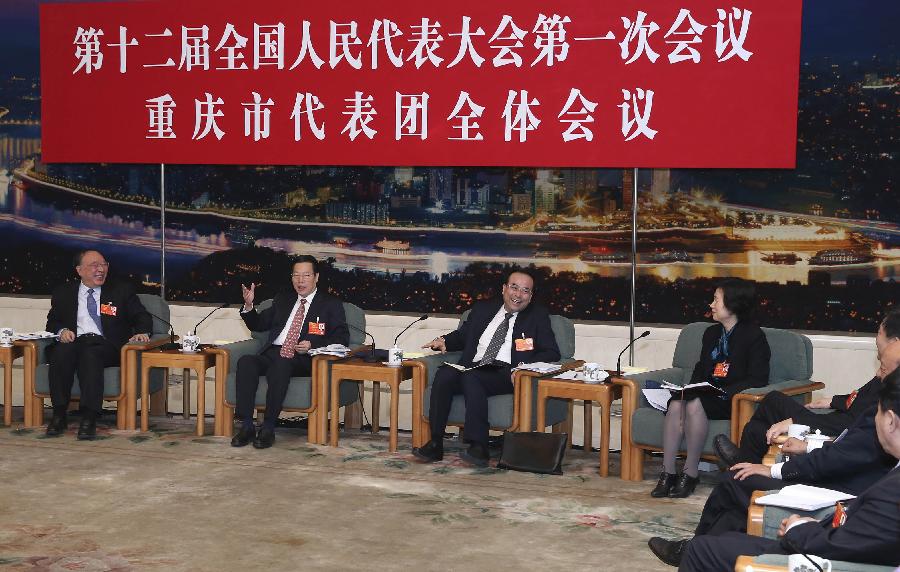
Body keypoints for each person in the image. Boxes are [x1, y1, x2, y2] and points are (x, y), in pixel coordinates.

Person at [646, 341, 900, 567]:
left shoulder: (890, 495)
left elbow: (844, 536)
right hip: (833, 493)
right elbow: (851, 445)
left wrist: (799, 525)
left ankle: (694, 548)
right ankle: (699, 545)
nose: (878, 373)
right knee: (735, 500)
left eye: (883, 369)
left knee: (734, 484)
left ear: (890, 421)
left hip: (827, 501)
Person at [412, 269, 560, 467]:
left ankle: (479, 447)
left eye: (525, 291)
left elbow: (551, 352)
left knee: (471, 378)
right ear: (504, 289)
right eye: (514, 288)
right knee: (445, 374)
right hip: (474, 366)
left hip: (505, 372)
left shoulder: (537, 316)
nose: (518, 294)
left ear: (531, 296)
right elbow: (463, 335)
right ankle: (435, 442)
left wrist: (523, 367)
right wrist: (444, 340)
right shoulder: (483, 309)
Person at [715, 309, 900, 465]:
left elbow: (854, 423)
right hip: (838, 419)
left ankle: (741, 464)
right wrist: (834, 400)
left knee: (773, 400)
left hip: (837, 429)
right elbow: (862, 397)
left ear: (894, 341)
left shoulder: (892, 377)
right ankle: (743, 465)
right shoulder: (888, 368)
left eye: (879, 331)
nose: (876, 337)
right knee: (756, 429)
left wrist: (795, 420)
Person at [652, 278, 771, 498]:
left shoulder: (753, 336)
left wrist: (724, 392)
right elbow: (701, 369)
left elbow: (758, 379)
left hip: (731, 399)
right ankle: (667, 473)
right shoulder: (711, 334)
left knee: (694, 403)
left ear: (733, 304)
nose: (711, 305)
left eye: (716, 300)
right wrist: (691, 387)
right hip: (706, 392)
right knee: (678, 402)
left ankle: (690, 472)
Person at [232, 255, 348, 449]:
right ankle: (246, 425)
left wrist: (313, 344)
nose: (300, 280)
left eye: (306, 275)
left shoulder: (330, 304)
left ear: (316, 277)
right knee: (246, 361)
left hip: (303, 358)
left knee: (282, 363)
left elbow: (342, 338)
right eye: (296, 275)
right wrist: (249, 306)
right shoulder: (283, 299)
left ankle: (268, 427)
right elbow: (259, 324)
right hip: (274, 352)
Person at [44, 249, 151, 440]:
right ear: (80, 270)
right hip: (75, 341)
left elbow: (141, 315)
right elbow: (52, 322)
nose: (100, 269)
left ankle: (89, 417)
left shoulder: (120, 290)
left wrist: (143, 331)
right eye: (94, 265)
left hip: (106, 345)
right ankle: (59, 414)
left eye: (103, 265)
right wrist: (62, 332)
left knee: (90, 354)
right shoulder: (64, 292)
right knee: (60, 353)